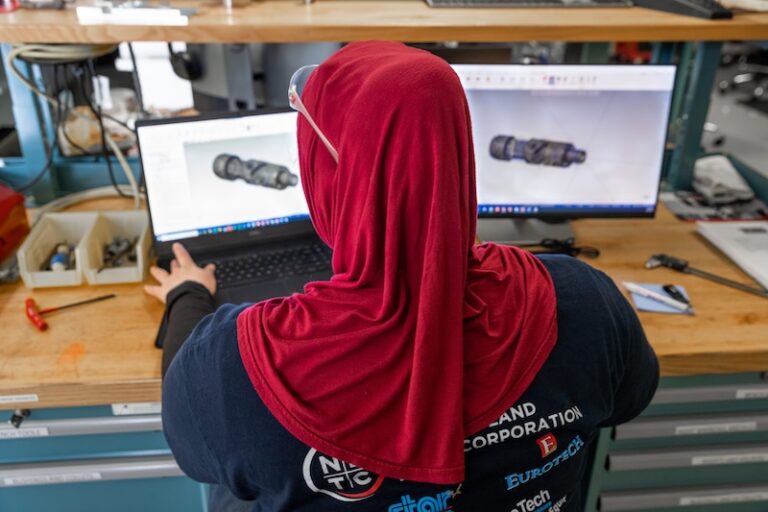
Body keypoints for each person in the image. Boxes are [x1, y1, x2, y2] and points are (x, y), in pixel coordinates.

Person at [146, 41, 658, 512]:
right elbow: (630, 398)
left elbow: (186, 423)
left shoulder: (230, 366)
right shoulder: (585, 300)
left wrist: (187, 294)